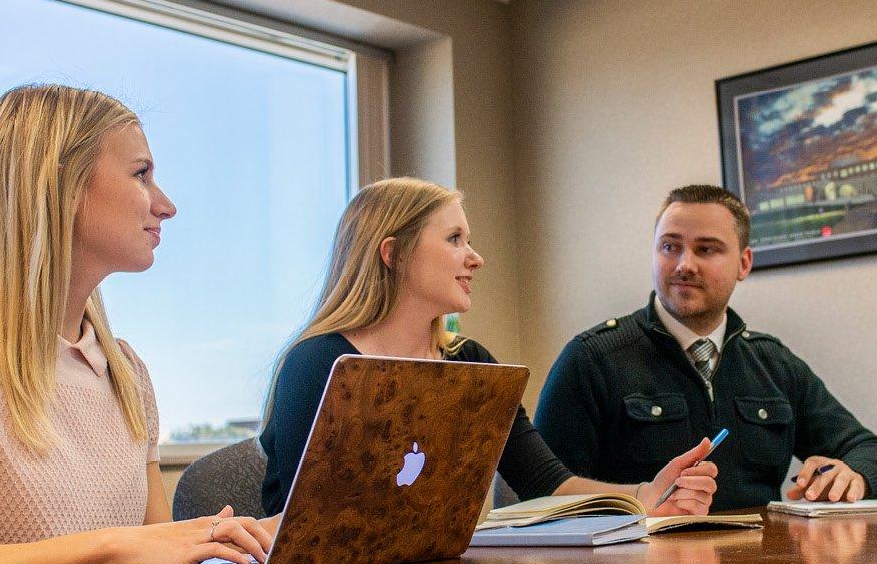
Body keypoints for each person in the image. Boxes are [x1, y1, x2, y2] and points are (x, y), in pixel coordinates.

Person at [0, 85, 273, 564]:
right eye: (141, 174)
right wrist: (109, 548)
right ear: (62, 185)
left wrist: (238, 546)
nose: (165, 205)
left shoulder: (127, 371)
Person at [259, 178, 718, 518]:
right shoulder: (317, 363)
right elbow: (308, 520)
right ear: (392, 253)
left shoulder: (471, 362)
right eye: (455, 239)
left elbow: (543, 482)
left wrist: (644, 495)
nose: (475, 257)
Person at [532, 184, 877, 511]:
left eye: (706, 249)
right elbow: (538, 494)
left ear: (744, 263)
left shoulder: (774, 365)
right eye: (669, 247)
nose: (684, 265)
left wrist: (853, 475)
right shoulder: (593, 359)